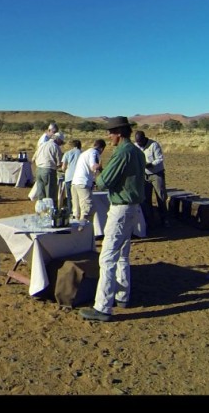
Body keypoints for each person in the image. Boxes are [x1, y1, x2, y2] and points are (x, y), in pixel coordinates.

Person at [80, 117, 146, 323]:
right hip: (133, 208)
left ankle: (103, 307)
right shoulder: (137, 151)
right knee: (123, 254)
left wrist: (99, 171)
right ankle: (122, 296)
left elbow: (104, 182)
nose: (108, 136)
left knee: (107, 257)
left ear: (118, 133)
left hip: (120, 208)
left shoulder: (122, 153)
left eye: (110, 132)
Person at [135, 130, 169, 227]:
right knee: (146, 199)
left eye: (140, 142)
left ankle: (165, 219)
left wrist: (151, 164)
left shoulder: (154, 145)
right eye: (138, 142)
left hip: (156, 174)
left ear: (144, 138)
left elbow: (159, 158)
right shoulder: (136, 146)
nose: (139, 144)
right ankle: (149, 221)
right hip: (144, 175)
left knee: (161, 196)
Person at [71, 139, 106, 223]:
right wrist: (100, 168)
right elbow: (93, 166)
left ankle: (76, 232)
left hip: (75, 183)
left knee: (77, 211)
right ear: (102, 149)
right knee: (87, 210)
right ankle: (85, 231)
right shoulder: (94, 153)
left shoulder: (84, 153)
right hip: (83, 183)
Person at [34, 132, 64, 206]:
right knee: (50, 193)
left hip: (38, 169)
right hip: (48, 170)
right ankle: (50, 212)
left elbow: (35, 157)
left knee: (41, 192)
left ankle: (40, 210)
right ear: (58, 140)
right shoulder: (55, 147)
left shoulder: (43, 144)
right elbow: (59, 163)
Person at [60, 139, 82, 212]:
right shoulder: (82, 153)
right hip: (79, 178)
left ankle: (70, 212)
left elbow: (63, 167)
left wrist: (64, 170)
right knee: (79, 197)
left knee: (70, 197)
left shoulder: (67, 153)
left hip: (69, 177)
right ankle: (79, 212)